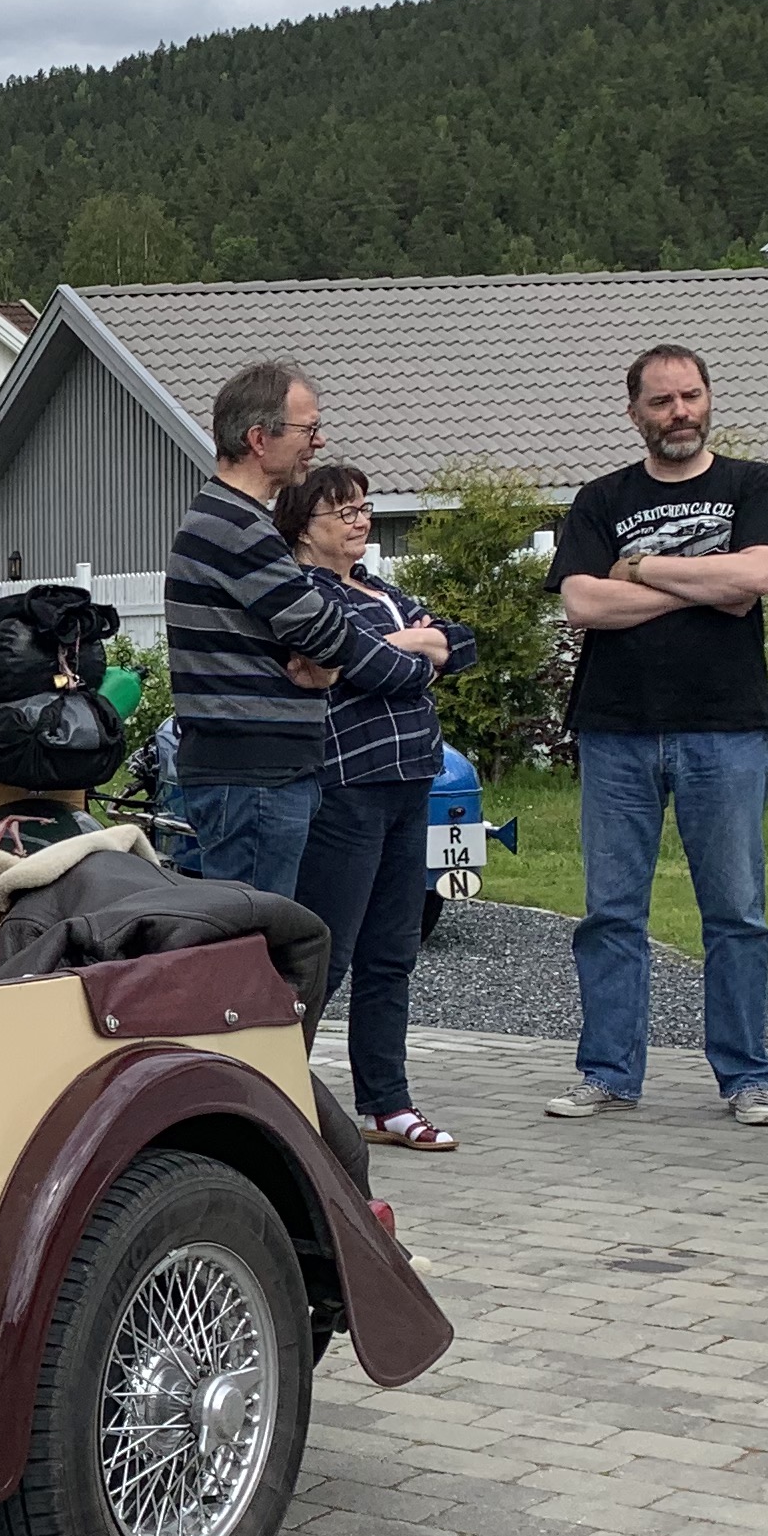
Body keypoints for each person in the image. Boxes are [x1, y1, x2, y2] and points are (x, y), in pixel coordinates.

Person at [542, 345, 768, 1128]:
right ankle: (608, 1073)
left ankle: (746, 1078)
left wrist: (640, 569)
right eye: (662, 401)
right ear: (635, 413)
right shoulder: (600, 498)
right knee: (611, 914)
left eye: (691, 395)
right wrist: (703, 585)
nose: (680, 412)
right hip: (616, 730)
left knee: (736, 913)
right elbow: (583, 605)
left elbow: (754, 578)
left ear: (709, 398)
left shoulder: (753, 484)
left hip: (727, 729)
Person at [164, 362, 428, 897]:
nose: (319, 442)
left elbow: (318, 641)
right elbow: (328, 635)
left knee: (266, 928)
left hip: (261, 772)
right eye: (309, 429)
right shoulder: (237, 528)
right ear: (260, 439)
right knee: (257, 932)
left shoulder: (236, 521)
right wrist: (418, 666)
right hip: (254, 775)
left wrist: (326, 661)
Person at [280, 464, 473, 1150]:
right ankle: (277, 1092)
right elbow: (354, 667)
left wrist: (407, 646)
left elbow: (459, 643)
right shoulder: (305, 592)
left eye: (364, 508)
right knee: (326, 956)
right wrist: (414, 649)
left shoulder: (383, 591)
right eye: (344, 511)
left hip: (413, 784)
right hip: (348, 787)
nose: (361, 521)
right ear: (305, 525)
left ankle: (385, 1101)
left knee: (393, 952)